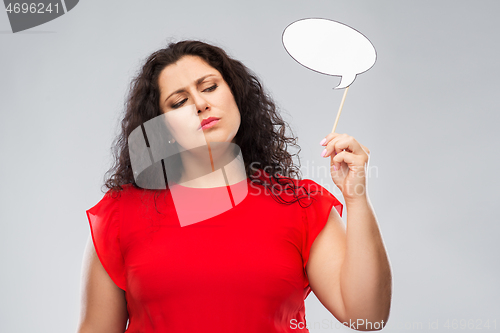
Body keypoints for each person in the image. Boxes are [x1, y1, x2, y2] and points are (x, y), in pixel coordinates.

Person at [77, 40, 392, 333]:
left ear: (236, 95)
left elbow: (368, 315)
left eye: (210, 87)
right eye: (179, 102)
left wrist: (356, 197)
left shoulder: (301, 205)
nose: (200, 104)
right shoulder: (120, 215)